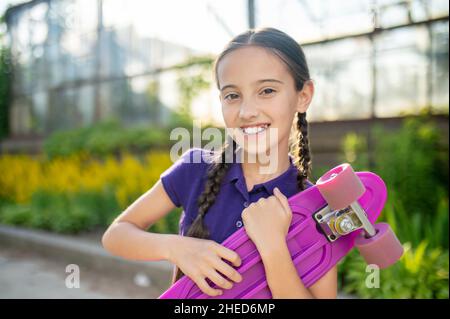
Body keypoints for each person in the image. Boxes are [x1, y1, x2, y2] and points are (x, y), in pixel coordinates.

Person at [102, 27, 337, 299]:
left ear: (303, 95)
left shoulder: (316, 206)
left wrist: (273, 248)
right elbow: (116, 235)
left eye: (267, 90)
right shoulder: (195, 169)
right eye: (232, 95)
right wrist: (177, 248)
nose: (247, 112)